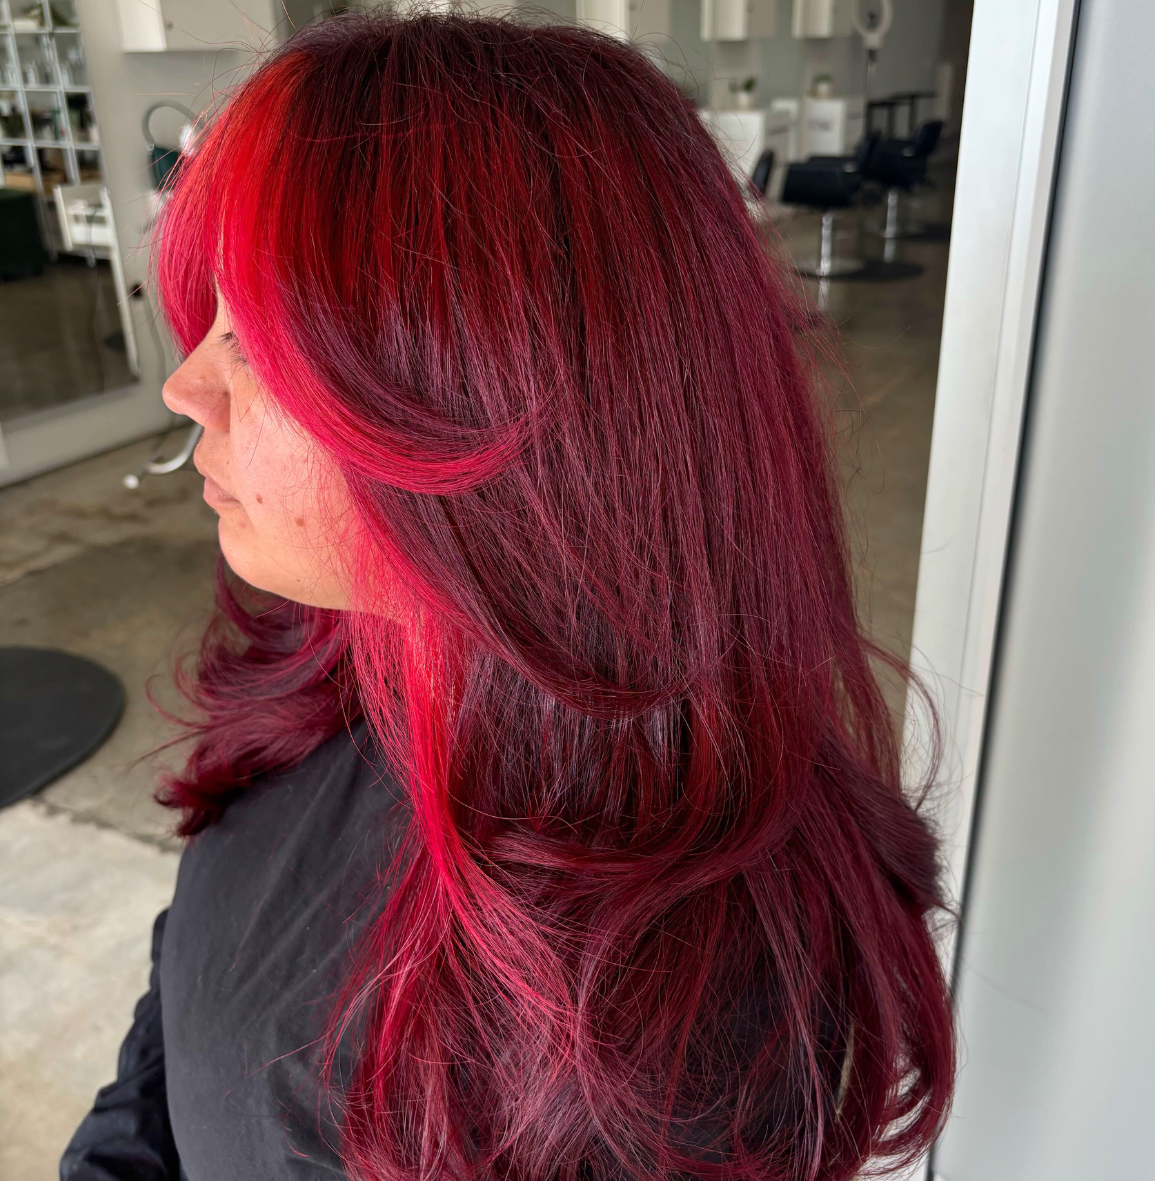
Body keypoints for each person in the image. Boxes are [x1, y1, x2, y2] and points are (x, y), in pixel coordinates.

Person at [62, 12, 954, 1181]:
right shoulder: (326, 665)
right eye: (215, 317)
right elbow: (190, 988)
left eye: (260, 338)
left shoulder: (662, 1029)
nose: (185, 386)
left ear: (486, 394)